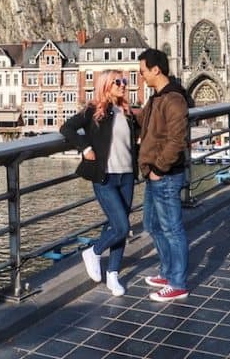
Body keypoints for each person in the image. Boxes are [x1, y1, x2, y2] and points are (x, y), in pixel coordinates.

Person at [60, 70, 138, 296]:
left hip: (127, 176)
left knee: (116, 227)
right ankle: (93, 251)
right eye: (118, 82)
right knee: (122, 226)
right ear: (105, 85)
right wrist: (85, 148)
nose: (124, 85)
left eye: (124, 81)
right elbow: (67, 128)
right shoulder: (93, 110)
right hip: (105, 177)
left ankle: (113, 275)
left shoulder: (127, 112)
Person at [137, 48, 190, 302]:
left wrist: (159, 168)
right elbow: (145, 124)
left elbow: (176, 140)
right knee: (152, 225)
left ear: (156, 69)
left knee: (171, 229)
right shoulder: (156, 97)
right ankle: (168, 272)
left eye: (143, 71)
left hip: (165, 174)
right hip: (153, 173)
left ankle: (178, 283)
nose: (142, 76)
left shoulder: (174, 99)